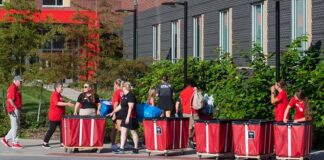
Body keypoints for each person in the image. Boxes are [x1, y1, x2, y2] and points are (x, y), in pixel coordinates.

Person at [108, 82, 139, 154]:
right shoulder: (124, 96)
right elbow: (120, 106)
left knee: (133, 132)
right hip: (124, 116)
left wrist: (128, 117)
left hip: (131, 117)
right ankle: (121, 148)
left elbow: (130, 107)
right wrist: (113, 112)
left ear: (125, 87)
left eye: (122, 86)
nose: (121, 87)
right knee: (123, 132)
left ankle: (136, 148)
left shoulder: (130, 95)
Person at [42, 82, 74, 149]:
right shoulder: (54, 94)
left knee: (63, 129)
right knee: (52, 129)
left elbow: (61, 102)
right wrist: (67, 104)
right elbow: (57, 103)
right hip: (54, 116)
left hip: (60, 116)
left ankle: (62, 143)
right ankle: (45, 143)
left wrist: (67, 103)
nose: (62, 88)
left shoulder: (59, 95)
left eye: (62, 87)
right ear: (57, 88)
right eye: (61, 87)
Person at [1, 76, 23, 149]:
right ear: (15, 81)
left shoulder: (16, 88)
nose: (21, 82)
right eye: (20, 81)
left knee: (16, 126)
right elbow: (10, 99)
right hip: (13, 110)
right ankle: (14, 143)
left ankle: (5, 139)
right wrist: (15, 108)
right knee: (15, 126)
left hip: (15, 109)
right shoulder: (12, 88)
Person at [176, 79, 199, 148]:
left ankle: (190, 141)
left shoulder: (182, 92)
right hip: (193, 110)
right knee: (198, 124)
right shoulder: (194, 90)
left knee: (189, 127)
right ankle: (190, 137)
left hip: (185, 111)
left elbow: (181, 102)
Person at [110, 79, 124, 151]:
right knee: (118, 128)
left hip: (118, 112)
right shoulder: (122, 92)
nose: (114, 86)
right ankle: (114, 144)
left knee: (117, 128)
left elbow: (115, 103)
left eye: (114, 84)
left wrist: (114, 113)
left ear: (116, 84)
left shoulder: (117, 92)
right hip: (120, 112)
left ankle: (114, 144)